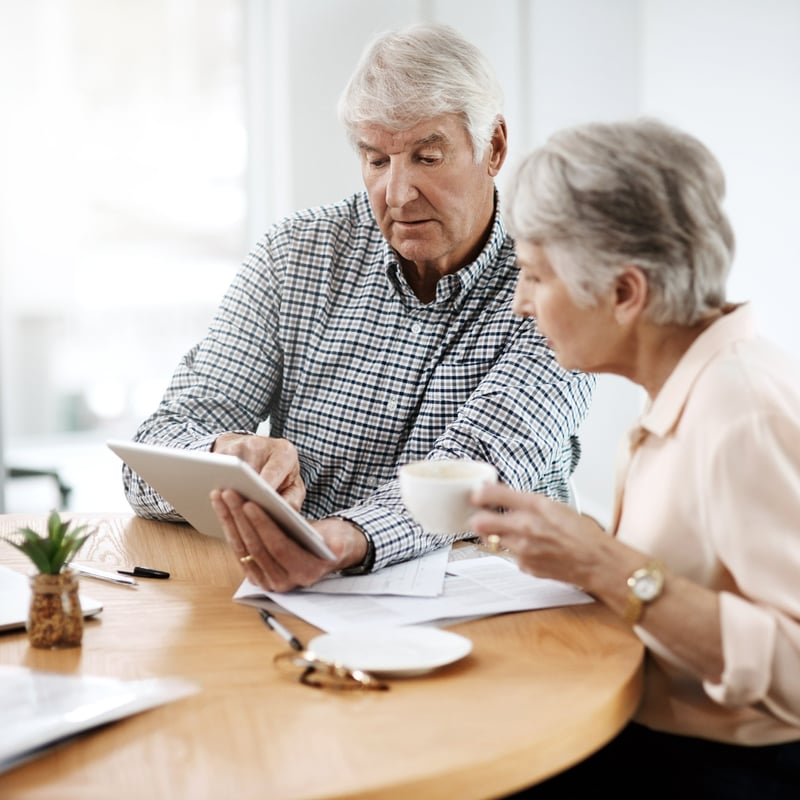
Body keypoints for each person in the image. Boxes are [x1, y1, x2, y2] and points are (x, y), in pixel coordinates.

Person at [122, 23, 594, 590]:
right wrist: (225, 457)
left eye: (427, 156)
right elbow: (152, 456)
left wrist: (343, 541)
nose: (397, 193)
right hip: (306, 597)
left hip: (497, 605)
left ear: (493, 148)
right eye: (376, 160)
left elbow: (473, 478)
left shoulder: (556, 277)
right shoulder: (295, 255)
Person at [469, 118, 800, 797]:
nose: (519, 305)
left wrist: (605, 565)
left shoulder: (742, 413)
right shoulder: (689, 385)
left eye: (533, 276)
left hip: (725, 773)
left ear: (625, 293)